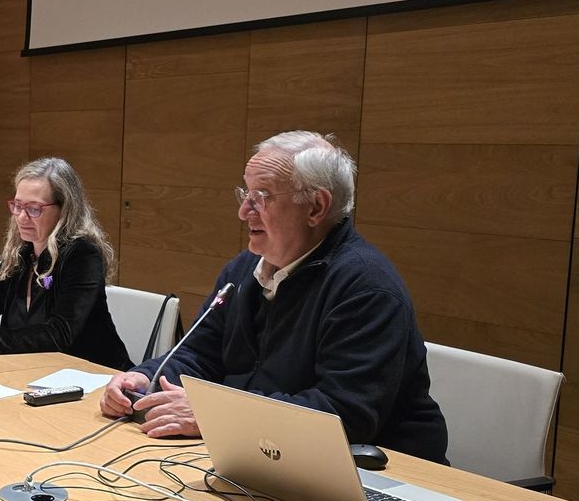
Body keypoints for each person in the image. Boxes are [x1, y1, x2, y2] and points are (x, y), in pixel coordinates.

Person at [100, 131, 448, 463]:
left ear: (316, 207)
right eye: (245, 195)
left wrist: (216, 414)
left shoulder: (366, 286)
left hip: (379, 476)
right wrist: (145, 377)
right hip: (267, 457)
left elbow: (343, 414)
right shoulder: (243, 270)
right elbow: (201, 354)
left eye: (261, 197)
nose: (243, 212)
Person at [0, 157, 130, 370]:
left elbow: (58, 334)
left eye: (34, 209)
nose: (21, 217)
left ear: (64, 210)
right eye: (18, 206)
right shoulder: (23, 254)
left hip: (94, 377)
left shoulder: (83, 255)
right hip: (33, 372)